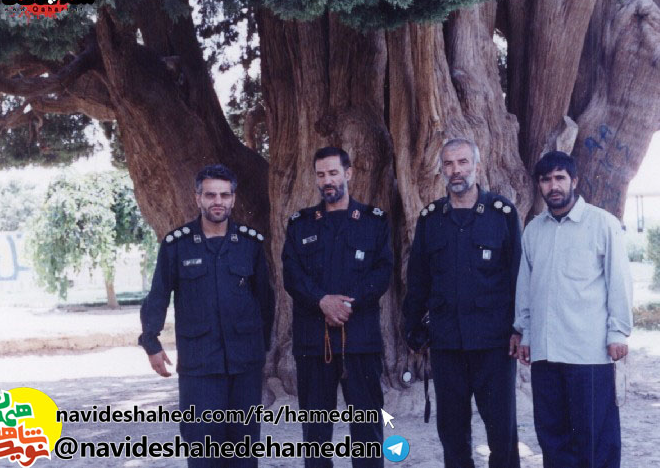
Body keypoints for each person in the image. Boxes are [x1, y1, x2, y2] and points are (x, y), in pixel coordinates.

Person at [138, 164, 274, 467]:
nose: (218, 201)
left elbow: (265, 299)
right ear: (198, 197)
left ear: (233, 199)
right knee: (202, 449)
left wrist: (260, 347)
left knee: (244, 450)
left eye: (224, 195)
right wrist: (151, 341)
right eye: (210, 195)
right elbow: (158, 295)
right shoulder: (177, 245)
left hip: (245, 366)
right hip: (199, 366)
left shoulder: (250, 244)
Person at [404, 138, 522, 468]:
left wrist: (519, 329)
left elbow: (517, 277)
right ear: (442, 170)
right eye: (449, 164)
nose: (456, 170)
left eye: (463, 162)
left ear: (477, 167)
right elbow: (418, 279)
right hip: (447, 344)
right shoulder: (431, 219)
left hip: (494, 344)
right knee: (452, 432)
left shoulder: (501, 214)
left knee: (502, 431)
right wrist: (412, 327)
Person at [513, 150, 633, 468]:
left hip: (588, 353)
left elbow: (619, 281)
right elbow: (526, 287)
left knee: (594, 438)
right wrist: (525, 333)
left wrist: (618, 332)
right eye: (546, 180)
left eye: (560, 178)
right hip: (546, 353)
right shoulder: (533, 231)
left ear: (574, 181)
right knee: (552, 436)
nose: (553, 186)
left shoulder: (602, 224)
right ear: (539, 185)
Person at [282, 146, 392, 468]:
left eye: (333, 173)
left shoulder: (374, 222)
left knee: (368, 431)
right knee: (316, 434)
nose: (327, 180)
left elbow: (382, 272)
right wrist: (322, 301)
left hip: (360, 341)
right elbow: (292, 275)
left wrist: (345, 304)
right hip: (314, 344)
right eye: (321, 175)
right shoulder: (300, 224)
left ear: (348, 173)